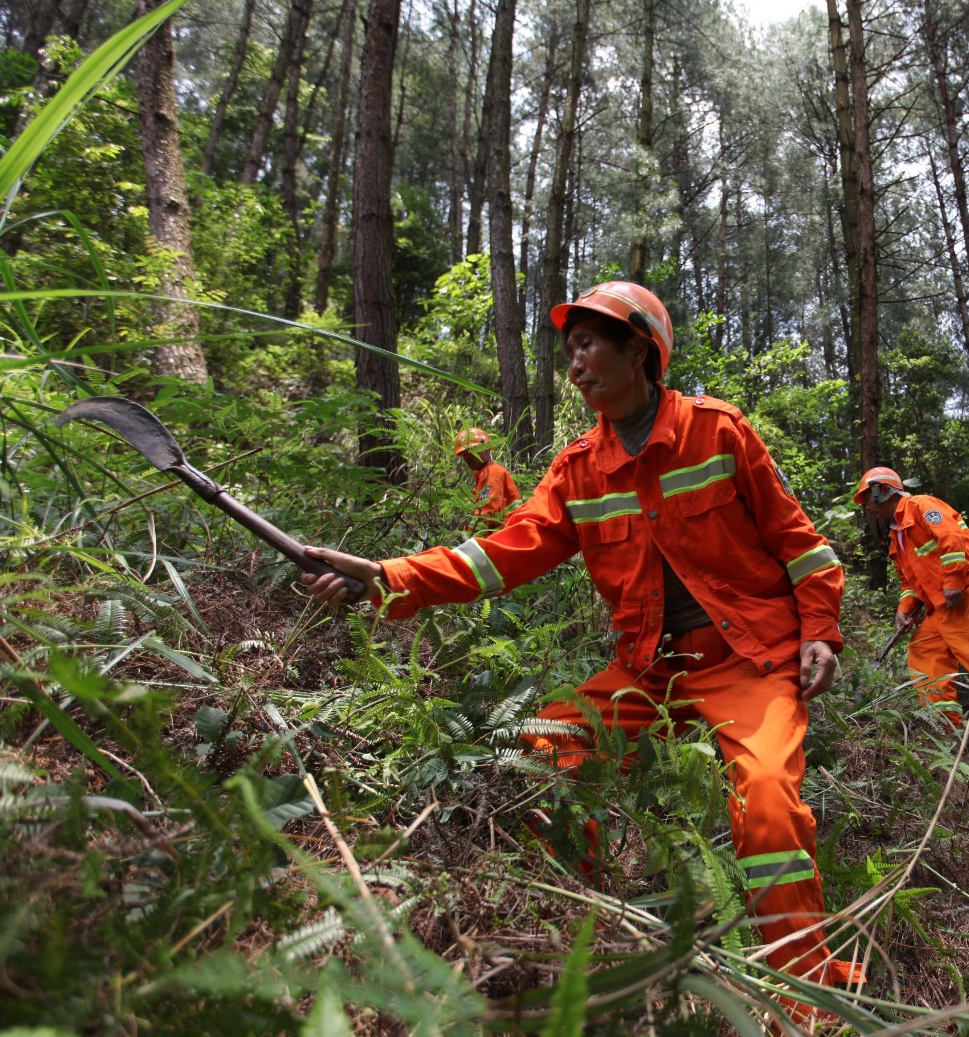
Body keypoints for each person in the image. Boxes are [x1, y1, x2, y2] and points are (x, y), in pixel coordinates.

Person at [301, 281, 860, 987]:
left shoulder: (720, 432)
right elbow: (499, 555)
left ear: (641, 350)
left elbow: (801, 544)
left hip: (749, 661)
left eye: (590, 344)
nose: (575, 362)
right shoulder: (576, 469)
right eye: (570, 349)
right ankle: (597, 936)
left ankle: (805, 991)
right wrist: (385, 576)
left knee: (769, 805)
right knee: (544, 749)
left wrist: (821, 630)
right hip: (648, 669)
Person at [854, 467, 969, 738]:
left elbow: (951, 538)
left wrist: (953, 582)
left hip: (967, 591)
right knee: (924, 652)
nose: (867, 507)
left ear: (882, 491)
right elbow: (910, 583)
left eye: (867, 498)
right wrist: (904, 611)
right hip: (941, 606)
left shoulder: (920, 505)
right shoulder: (897, 536)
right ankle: (947, 729)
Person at [453, 427, 521, 529]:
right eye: (464, 454)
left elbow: (487, 513)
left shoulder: (492, 474)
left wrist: (468, 535)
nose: (468, 457)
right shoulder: (486, 474)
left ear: (487, 449)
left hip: (507, 534)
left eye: (473, 450)